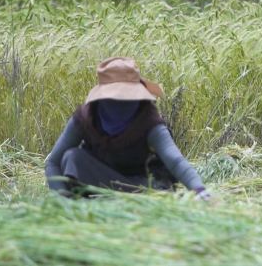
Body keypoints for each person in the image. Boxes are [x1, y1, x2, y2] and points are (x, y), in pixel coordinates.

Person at [45, 57, 210, 200]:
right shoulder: (85, 118)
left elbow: (175, 161)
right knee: (72, 157)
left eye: (127, 98)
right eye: (115, 98)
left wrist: (199, 190)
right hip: (101, 181)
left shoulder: (148, 121)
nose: (120, 104)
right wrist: (61, 199)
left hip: (142, 188)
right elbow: (53, 161)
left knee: (159, 193)